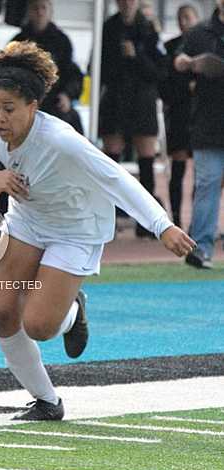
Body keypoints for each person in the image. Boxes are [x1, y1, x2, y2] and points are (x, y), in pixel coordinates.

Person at [0, 41, 196, 420]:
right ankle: (47, 401)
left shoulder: (62, 140)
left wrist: (162, 225)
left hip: (76, 230)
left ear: (33, 107)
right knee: (1, 312)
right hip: (27, 222)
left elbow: (118, 179)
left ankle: (73, 310)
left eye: (9, 110)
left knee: (38, 325)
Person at [99, 0, 167, 237]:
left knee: (146, 161)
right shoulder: (108, 28)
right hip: (116, 100)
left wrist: (136, 55)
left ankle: (147, 222)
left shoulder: (149, 29)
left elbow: (159, 71)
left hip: (142, 100)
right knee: (110, 161)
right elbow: (98, 67)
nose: (127, 3)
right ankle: (108, 218)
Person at [174, 0, 224, 269]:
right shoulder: (199, 33)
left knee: (207, 184)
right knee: (207, 184)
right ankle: (201, 248)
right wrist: (188, 62)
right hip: (208, 124)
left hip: (208, 122)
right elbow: (179, 60)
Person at [10, 0, 84, 134]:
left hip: (55, 101)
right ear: (29, 12)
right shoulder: (18, 41)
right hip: (25, 101)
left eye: (43, 8)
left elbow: (72, 74)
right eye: (35, 8)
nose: (40, 12)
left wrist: (67, 95)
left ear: (50, 12)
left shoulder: (62, 41)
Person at [159, 4, 200, 228]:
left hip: (203, 116)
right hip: (179, 115)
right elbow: (164, 84)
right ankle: (175, 220)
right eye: (180, 18)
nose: (184, 22)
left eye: (188, 17)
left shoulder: (207, 46)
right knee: (178, 167)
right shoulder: (170, 47)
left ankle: (199, 221)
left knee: (202, 173)